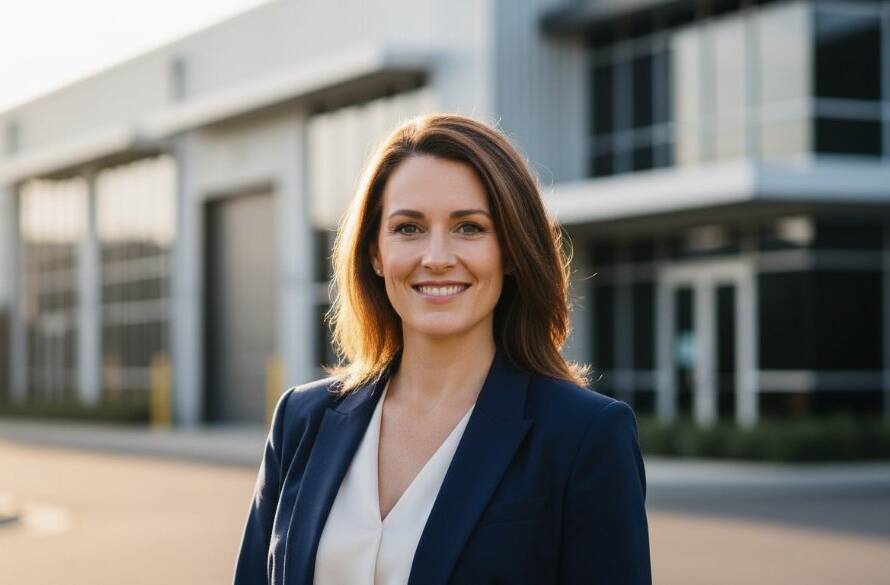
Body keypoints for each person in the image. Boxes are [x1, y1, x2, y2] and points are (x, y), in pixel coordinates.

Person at [233, 113, 651, 585]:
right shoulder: (301, 420)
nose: (435, 258)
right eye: (408, 228)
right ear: (375, 252)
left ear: (510, 250)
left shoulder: (584, 436)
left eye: (469, 228)